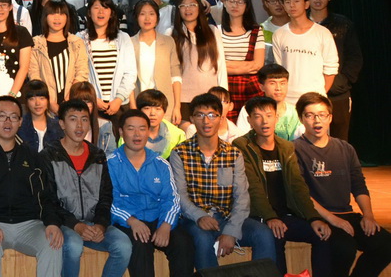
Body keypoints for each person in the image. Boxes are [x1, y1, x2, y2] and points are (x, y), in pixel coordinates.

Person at [230, 96, 336, 275]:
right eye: (257, 116)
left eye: (269, 115)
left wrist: (313, 217)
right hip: (258, 216)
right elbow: (253, 188)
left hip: (286, 215)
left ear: (276, 117)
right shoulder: (241, 146)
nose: (264, 121)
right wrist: (270, 217)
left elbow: (297, 185)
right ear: (249, 120)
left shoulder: (286, 147)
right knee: (274, 236)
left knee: (322, 235)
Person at [170, 93, 276, 270]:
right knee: (202, 238)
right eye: (200, 115)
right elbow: (179, 195)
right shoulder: (180, 153)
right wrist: (199, 216)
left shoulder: (233, 153)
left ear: (221, 118)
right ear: (192, 119)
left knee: (263, 233)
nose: (206, 121)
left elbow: (242, 197)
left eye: (212, 115)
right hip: (193, 219)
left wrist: (232, 231)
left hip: (227, 217)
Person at [294, 92, 391, 276]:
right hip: (319, 217)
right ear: (301, 119)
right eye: (310, 115)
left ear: (330, 118)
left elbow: (358, 185)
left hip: (347, 213)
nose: (317, 120)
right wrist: (332, 219)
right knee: (345, 248)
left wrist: (368, 215)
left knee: (386, 245)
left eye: (322, 115)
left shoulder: (345, 148)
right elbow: (301, 193)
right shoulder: (294, 149)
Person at [0, 97, 63, 276]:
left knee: (52, 243)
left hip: (29, 224)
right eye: (2, 116)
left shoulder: (32, 156)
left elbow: (46, 195)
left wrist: (52, 222)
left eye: (13, 117)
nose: (7, 122)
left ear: (20, 122)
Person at [44, 100, 131, 277]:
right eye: (73, 119)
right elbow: (47, 200)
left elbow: (106, 196)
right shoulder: (48, 155)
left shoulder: (97, 155)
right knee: (73, 246)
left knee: (123, 246)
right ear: (62, 124)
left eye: (84, 119)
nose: (79, 125)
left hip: (93, 223)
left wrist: (101, 224)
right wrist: (76, 225)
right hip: (64, 224)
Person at [107, 109, 194, 276]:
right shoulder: (110, 164)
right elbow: (110, 201)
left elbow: (172, 199)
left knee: (183, 243)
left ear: (148, 131)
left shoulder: (161, 163)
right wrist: (131, 221)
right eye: (131, 128)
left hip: (158, 218)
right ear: (121, 132)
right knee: (140, 245)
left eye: (142, 129)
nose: (137, 134)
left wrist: (166, 225)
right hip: (128, 221)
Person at [302, 0, 361, 140]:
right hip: (307, 91)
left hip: (337, 92)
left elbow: (354, 57)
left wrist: (341, 81)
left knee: (339, 139)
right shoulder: (300, 24)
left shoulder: (343, 24)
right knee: (307, 138)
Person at [271, 0, 338, 109]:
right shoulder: (279, 34)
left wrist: (320, 95)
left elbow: (331, 69)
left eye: (296, 1)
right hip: (287, 100)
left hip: (315, 100)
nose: (292, 5)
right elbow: (279, 69)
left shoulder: (322, 33)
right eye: (287, 2)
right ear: (283, 6)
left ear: (306, 4)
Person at [79, 0, 136, 119]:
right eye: (96, 7)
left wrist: (119, 99)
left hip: (119, 105)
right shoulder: (80, 39)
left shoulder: (123, 38)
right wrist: (93, 98)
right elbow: (78, 74)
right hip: (90, 105)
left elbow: (130, 73)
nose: (101, 12)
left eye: (105, 8)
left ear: (111, 13)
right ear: (89, 13)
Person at [171, 0, 227, 115]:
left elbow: (221, 65)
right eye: (183, 6)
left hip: (209, 98)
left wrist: (223, 96)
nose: (188, 9)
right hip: (182, 99)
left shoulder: (212, 31)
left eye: (192, 4)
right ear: (178, 9)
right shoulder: (171, 34)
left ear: (199, 7)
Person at [29, 0, 89, 112]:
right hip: (44, 107)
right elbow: (34, 75)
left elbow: (82, 72)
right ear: (45, 17)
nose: (57, 18)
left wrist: (68, 99)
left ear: (67, 17)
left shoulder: (76, 42)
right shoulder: (36, 43)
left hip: (72, 103)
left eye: (61, 14)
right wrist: (50, 102)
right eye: (52, 14)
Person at [130, 0, 183, 125]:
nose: (147, 18)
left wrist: (177, 106)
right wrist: (133, 108)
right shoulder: (129, 43)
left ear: (157, 18)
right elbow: (128, 79)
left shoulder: (168, 41)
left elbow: (175, 76)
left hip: (164, 104)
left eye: (151, 14)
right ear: (137, 17)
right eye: (142, 14)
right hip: (140, 103)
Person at [235, 64, 305, 141]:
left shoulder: (296, 111)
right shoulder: (249, 109)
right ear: (262, 87)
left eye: (282, 83)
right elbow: (242, 139)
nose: (278, 88)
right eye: (272, 83)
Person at [17, 80, 62, 152]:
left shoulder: (57, 126)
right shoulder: (19, 126)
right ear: (26, 102)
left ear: (47, 100)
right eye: (32, 99)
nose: (37, 103)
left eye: (42, 98)